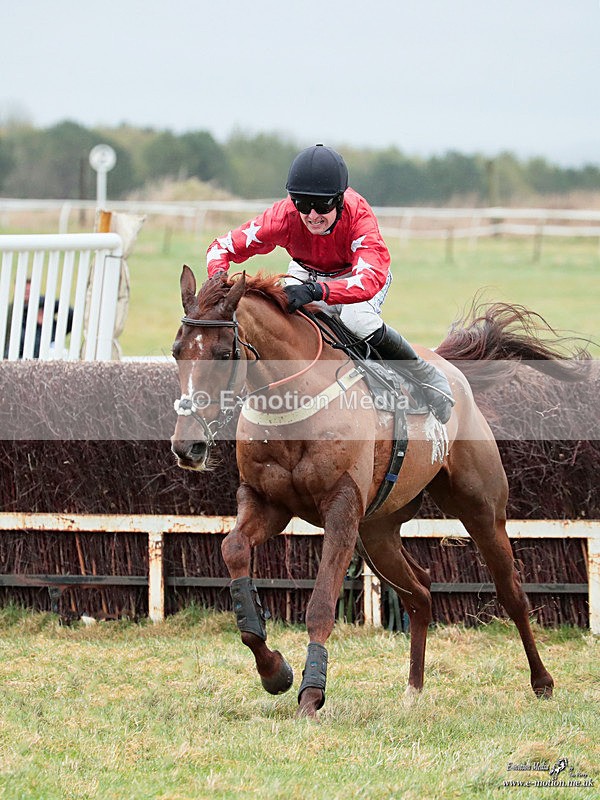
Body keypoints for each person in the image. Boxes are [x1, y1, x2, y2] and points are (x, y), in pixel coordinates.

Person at [206, 144, 453, 423]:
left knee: (356, 320)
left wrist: (318, 291)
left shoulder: (359, 216)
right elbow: (220, 248)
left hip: (358, 275)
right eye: (301, 204)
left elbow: (368, 280)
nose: (312, 215)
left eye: (322, 205)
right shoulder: (281, 217)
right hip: (305, 271)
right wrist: (218, 282)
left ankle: (423, 374)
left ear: (339, 200)